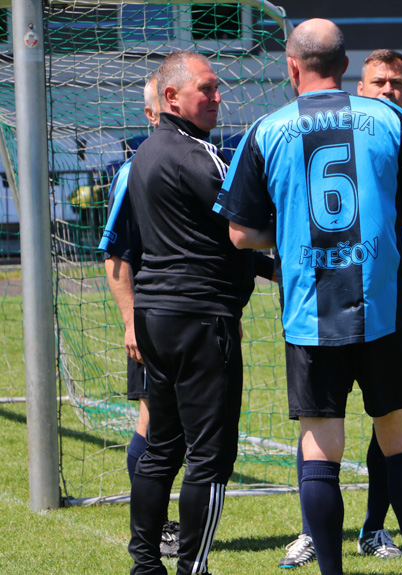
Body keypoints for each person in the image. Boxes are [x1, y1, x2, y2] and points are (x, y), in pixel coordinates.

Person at [214, 19, 402, 575]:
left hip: (308, 315)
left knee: (321, 448)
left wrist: (296, 234)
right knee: (400, 441)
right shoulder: (388, 118)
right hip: (384, 308)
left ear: (293, 67)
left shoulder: (266, 130)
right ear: (347, 68)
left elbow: (240, 233)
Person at [275, 48, 402, 570]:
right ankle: (313, 529)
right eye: (379, 82)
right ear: (358, 86)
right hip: (324, 299)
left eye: (398, 84)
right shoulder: (314, 131)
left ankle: (374, 526)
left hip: (400, 302)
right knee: (320, 426)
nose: (388, 91)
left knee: (391, 424)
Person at [126, 50, 273, 575]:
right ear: (171, 97)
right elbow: (247, 228)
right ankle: (193, 567)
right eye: (206, 89)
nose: (217, 98)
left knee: (161, 447)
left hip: (155, 316)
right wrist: (295, 264)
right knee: (210, 458)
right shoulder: (198, 155)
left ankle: (145, 566)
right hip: (200, 319)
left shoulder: (144, 153)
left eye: (217, 89)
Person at [99, 74, 179, 559]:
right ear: (152, 115)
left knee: (179, 428)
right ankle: (153, 529)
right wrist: (130, 322)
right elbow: (115, 258)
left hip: (189, 319)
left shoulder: (192, 162)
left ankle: (164, 527)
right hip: (153, 320)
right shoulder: (134, 171)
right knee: (153, 421)